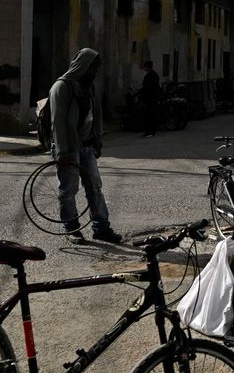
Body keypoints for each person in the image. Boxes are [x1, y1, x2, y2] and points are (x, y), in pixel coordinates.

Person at [50, 48, 122, 245]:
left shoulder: (88, 87)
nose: (95, 72)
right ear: (84, 66)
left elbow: (95, 113)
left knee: (95, 187)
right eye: (93, 68)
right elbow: (58, 122)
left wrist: (97, 140)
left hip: (87, 146)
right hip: (69, 148)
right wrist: (63, 151)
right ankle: (71, 228)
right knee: (68, 190)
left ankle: (101, 228)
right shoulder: (61, 87)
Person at [138, 60, 160, 137]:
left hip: (150, 99)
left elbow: (147, 88)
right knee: (152, 115)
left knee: (148, 115)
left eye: (145, 67)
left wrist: (140, 93)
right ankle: (151, 131)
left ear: (147, 67)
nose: (144, 68)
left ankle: (149, 131)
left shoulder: (149, 76)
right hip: (153, 98)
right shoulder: (155, 75)